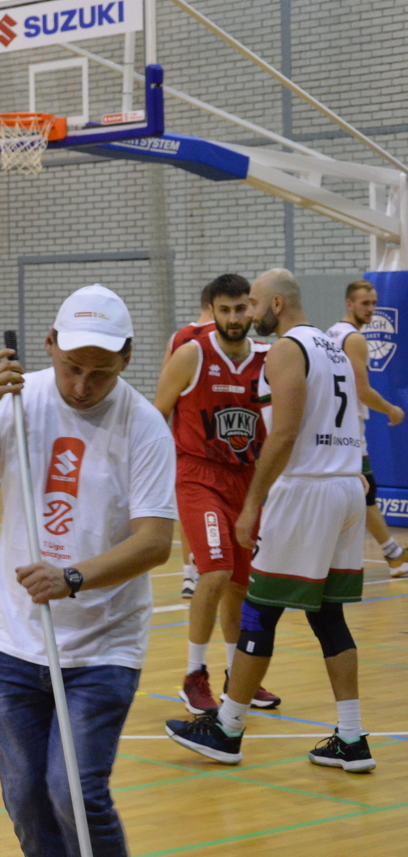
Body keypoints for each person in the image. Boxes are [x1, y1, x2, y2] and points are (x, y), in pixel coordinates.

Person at [0, 284, 176, 857]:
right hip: (20, 643)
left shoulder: (144, 426)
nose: (83, 386)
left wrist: (73, 578)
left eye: (100, 373)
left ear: (127, 358)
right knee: (25, 799)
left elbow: (155, 543)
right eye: (72, 368)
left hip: (103, 647)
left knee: (74, 794)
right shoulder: (20, 402)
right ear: (49, 344)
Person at [167, 269, 376, 772]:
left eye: (255, 304)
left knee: (259, 610)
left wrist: (253, 503)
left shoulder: (286, 349)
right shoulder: (335, 346)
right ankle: (351, 738)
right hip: (346, 485)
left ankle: (227, 729)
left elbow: (282, 435)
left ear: (276, 304)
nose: (251, 313)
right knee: (328, 616)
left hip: (306, 491)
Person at [151, 274, 279, 714]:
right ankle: (193, 675)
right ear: (213, 311)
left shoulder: (268, 359)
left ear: (253, 308)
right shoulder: (192, 354)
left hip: (247, 481)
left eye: (241, 308)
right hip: (198, 476)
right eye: (225, 310)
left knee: (240, 585)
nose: (234, 318)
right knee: (216, 572)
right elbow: (156, 416)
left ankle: (236, 676)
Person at [326, 279, 407, 577]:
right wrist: (391, 409)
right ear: (349, 303)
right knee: (364, 489)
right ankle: (393, 554)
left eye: (373, 303)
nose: (371, 308)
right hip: (346, 430)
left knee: (360, 491)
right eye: (365, 303)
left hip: (331, 426)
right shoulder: (355, 339)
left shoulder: (330, 333)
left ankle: (392, 553)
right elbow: (362, 390)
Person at [167, 281, 217, 600]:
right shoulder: (229, 338)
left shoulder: (178, 338)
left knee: (189, 514)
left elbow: (166, 388)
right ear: (215, 304)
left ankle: (190, 574)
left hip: (185, 443)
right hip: (223, 443)